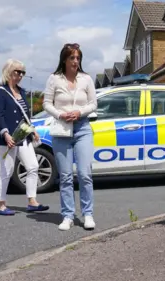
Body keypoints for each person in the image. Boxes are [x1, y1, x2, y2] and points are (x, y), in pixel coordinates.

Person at [43, 43, 97, 231]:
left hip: (82, 128)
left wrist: (79, 112)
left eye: (78, 58)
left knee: (84, 173)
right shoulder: (54, 79)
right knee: (65, 176)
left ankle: (87, 214)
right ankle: (68, 215)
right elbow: (46, 104)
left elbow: (93, 104)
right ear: (64, 60)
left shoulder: (86, 79)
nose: (75, 61)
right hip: (62, 129)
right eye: (72, 58)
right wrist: (60, 114)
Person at [0, 59, 49, 215]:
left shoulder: (22, 92)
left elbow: (25, 115)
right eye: (17, 71)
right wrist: (5, 134)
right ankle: (1, 204)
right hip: (8, 138)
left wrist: (32, 130)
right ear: (9, 71)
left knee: (33, 166)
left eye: (22, 72)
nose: (20, 75)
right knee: (7, 171)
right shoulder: (0, 91)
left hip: (23, 136)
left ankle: (32, 201)